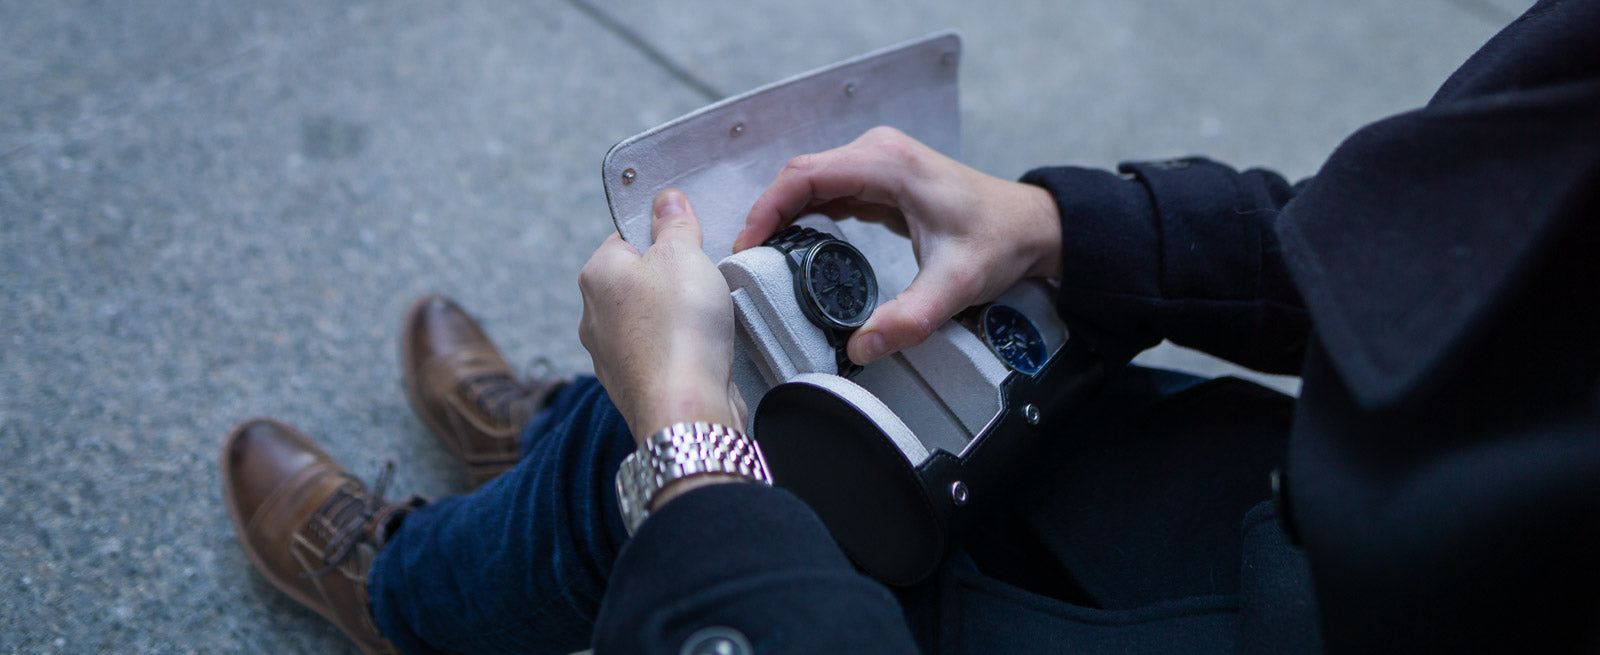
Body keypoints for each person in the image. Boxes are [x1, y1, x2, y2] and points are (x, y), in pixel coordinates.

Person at [220, 0, 1599, 652]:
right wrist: (1080, 232)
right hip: (1299, 496)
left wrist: (687, 454)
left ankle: (415, 602)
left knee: (724, 446)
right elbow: (1495, 261)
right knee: (788, 372)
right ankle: (570, 462)